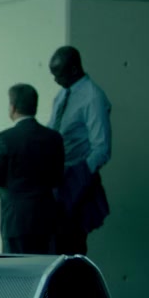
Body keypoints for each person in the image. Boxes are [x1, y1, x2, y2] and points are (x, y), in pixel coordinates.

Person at [0, 84, 65, 254]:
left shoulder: (4, 139)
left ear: (13, 108)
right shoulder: (54, 138)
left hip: (15, 219)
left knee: (15, 267)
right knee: (43, 266)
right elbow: (57, 178)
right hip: (46, 217)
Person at [47, 46, 111, 255]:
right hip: (57, 180)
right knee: (55, 247)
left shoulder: (93, 97)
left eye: (59, 74)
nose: (55, 80)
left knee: (72, 247)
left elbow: (101, 149)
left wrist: (78, 177)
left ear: (74, 70)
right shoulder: (62, 94)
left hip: (76, 182)